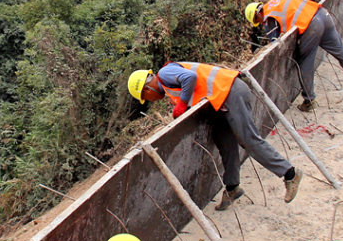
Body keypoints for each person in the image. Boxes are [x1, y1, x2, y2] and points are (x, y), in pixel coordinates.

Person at [128, 62, 302, 209]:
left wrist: (181, 105)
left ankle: (290, 174)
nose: (151, 100)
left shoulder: (165, 73)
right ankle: (232, 187)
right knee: (224, 141)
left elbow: (190, 78)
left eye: (146, 97)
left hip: (231, 91)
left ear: (147, 87)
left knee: (248, 139)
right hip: (220, 102)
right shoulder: (168, 87)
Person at [244, 0, 343, 112]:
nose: (260, 23)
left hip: (311, 26)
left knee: (304, 62)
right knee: (341, 51)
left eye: (257, 21)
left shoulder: (268, 18)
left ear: (257, 14)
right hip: (322, 14)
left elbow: (275, 44)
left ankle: (309, 101)